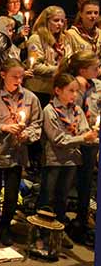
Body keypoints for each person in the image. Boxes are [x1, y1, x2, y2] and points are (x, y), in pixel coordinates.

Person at [0, 58, 42, 246]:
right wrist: (4, 127)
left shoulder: (30, 98)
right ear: (3, 75)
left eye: (21, 76)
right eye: (14, 76)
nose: (19, 80)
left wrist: (27, 135)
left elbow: (36, 124)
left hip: (17, 153)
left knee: (12, 193)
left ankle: (6, 225)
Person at [39, 73, 97, 245]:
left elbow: (84, 130)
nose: (75, 95)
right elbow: (58, 140)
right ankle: (43, 232)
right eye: (71, 90)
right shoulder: (49, 111)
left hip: (72, 160)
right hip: (54, 161)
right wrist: (83, 138)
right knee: (47, 197)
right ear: (58, 90)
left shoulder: (77, 110)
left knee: (62, 198)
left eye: (76, 91)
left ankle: (58, 231)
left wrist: (91, 137)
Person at [62, 51, 101, 245]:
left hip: (92, 141)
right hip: (73, 140)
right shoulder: (72, 88)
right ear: (83, 70)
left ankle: (82, 220)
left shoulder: (98, 87)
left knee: (87, 182)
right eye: (95, 68)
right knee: (66, 181)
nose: (99, 70)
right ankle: (58, 220)